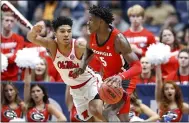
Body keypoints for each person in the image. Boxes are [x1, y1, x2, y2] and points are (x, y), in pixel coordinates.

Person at [27, 16, 106, 122]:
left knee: (96, 110)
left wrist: (82, 67)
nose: (66, 34)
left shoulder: (78, 45)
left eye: (69, 31)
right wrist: (34, 31)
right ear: (55, 34)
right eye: (62, 31)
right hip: (75, 89)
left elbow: (91, 51)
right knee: (88, 119)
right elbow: (31, 38)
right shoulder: (52, 45)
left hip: (90, 82)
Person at [72, 5, 142, 121]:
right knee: (122, 117)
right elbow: (89, 50)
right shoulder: (91, 35)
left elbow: (138, 67)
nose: (87, 22)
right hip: (108, 78)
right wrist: (82, 66)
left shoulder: (118, 39)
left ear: (100, 22)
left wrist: (121, 77)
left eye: (91, 20)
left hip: (125, 79)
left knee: (107, 113)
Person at [1, 11, 24, 81]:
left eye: (12, 21)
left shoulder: (19, 39)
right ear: (2, 21)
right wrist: (9, 55)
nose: (9, 23)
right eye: (7, 20)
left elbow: (15, 59)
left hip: (13, 78)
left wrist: (3, 56)